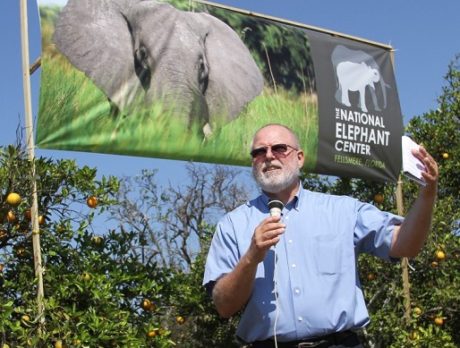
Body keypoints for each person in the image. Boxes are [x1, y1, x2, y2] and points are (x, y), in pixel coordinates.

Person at [203, 123, 438, 348]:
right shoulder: (232, 225)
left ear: (300, 157)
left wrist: (428, 194)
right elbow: (224, 306)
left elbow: (405, 245)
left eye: (279, 148)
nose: (269, 156)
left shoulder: (343, 210)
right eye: (259, 152)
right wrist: (251, 257)